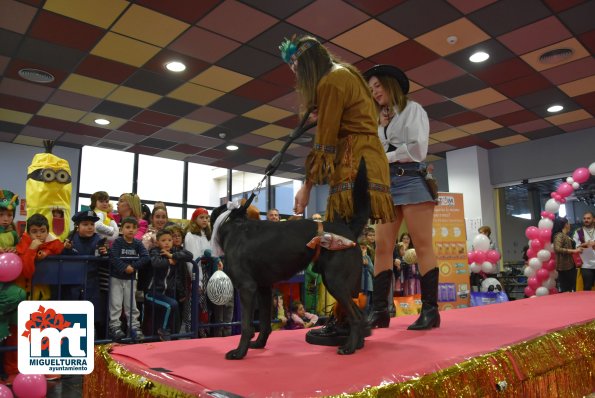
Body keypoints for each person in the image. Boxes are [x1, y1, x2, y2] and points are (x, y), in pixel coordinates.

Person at [280, 35, 394, 343]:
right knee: (344, 246)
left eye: (297, 69)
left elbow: (325, 141)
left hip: (355, 166)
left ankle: (348, 323)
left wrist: (305, 187)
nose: (297, 77)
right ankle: (348, 319)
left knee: (338, 247)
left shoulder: (331, 81)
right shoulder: (344, 72)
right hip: (367, 164)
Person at [363, 64, 439, 331]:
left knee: (422, 245)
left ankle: (431, 311)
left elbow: (418, 148)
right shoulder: (380, 118)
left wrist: (387, 155)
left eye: (377, 86)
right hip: (386, 182)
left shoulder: (413, 109)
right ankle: (380, 311)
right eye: (371, 89)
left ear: (390, 84)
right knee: (383, 247)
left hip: (412, 178)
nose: (374, 92)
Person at [62, 211, 107, 331]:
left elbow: (103, 260)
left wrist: (104, 253)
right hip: (73, 283)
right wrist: (66, 250)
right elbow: (62, 257)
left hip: (91, 282)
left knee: (91, 313)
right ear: (77, 226)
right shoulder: (71, 239)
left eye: (92, 224)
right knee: (72, 313)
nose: (89, 227)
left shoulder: (98, 240)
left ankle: (92, 340)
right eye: (85, 224)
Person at [145, 229, 192, 339]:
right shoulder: (155, 251)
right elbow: (156, 263)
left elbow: (189, 255)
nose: (167, 243)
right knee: (172, 304)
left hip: (166, 294)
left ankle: (168, 334)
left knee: (172, 307)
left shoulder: (174, 251)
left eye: (169, 240)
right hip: (153, 292)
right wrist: (168, 261)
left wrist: (172, 256)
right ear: (157, 242)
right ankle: (163, 331)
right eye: (163, 240)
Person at [108, 216, 150, 341]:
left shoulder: (137, 243)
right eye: (127, 227)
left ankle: (134, 327)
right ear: (122, 229)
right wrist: (124, 267)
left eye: (133, 228)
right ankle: (115, 326)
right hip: (116, 278)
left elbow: (145, 257)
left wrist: (133, 267)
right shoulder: (118, 242)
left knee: (131, 304)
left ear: (137, 230)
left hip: (131, 279)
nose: (130, 230)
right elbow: (113, 256)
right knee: (115, 303)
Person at [552, 216, 582, 293]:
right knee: (566, 289)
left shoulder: (565, 236)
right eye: (568, 223)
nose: (570, 225)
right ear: (565, 224)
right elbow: (557, 248)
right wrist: (574, 251)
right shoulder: (559, 235)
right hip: (565, 267)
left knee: (571, 288)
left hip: (570, 265)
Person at [573, 211, 595, 291]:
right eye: (584, 218)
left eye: (588, 218)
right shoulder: (578, 232)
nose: (586, 220)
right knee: (587, 287)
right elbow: (576, 247)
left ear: (593, 219)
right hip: (586, 265)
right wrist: (585, 244)